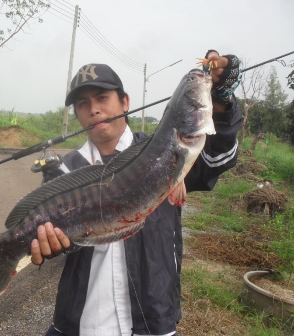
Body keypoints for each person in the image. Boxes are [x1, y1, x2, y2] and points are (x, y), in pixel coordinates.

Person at [30, 50, 242, 336]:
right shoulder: (66, 171)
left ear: (125, 102)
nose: (93, 109)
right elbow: (54, 242)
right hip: (82, 322)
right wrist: (52, 244)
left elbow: (219, 158)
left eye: (102, 98)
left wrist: (223, 102)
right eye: (83, 103)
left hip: (154, 319)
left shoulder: (170, 150)